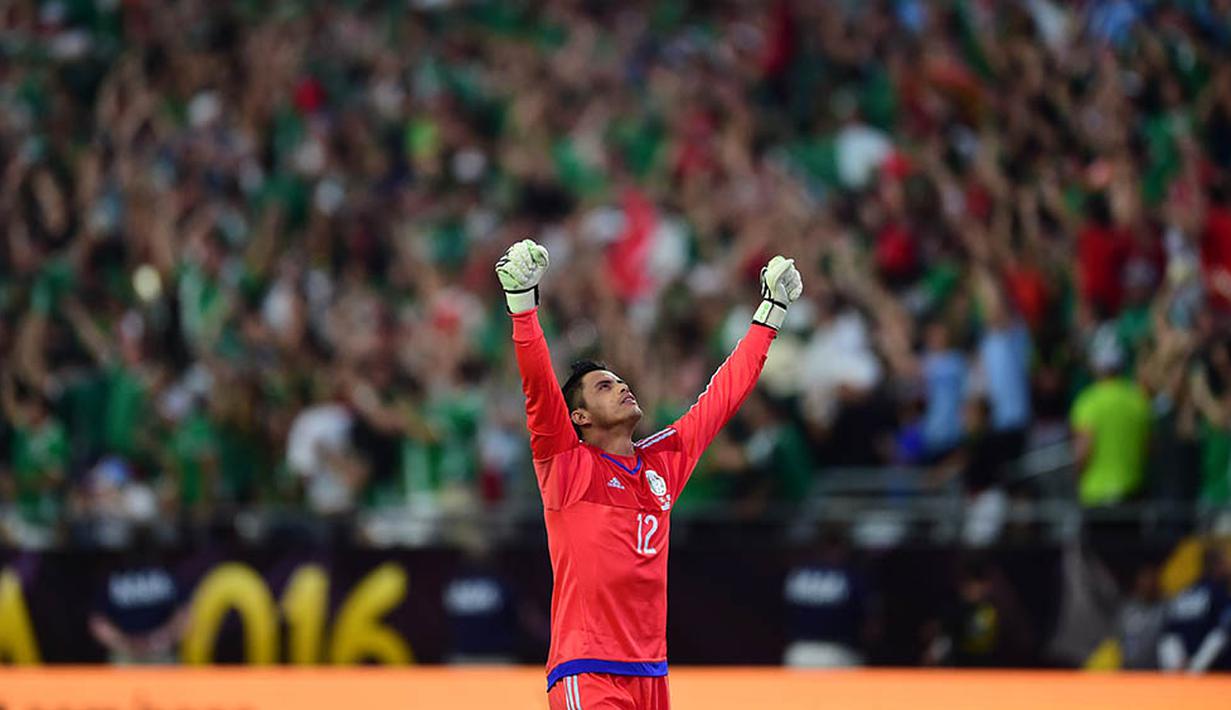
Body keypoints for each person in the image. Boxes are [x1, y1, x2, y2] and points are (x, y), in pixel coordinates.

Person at [497, 238, 802, 709]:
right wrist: (523, 307)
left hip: (651, 675)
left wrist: (772, 313)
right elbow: (538, 388)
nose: (622, 388)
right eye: (604, 386)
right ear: (579, 418)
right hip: (588, 669)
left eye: (620, 382)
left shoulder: (661, 464)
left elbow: (721, 398)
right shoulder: (566, 466)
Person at [1158, 545, 1231, 673]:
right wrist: (1195, 668)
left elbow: (1169, 637)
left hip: (1180, 666)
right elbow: (1220, 636)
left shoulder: (1185, 593)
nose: (1228, 567)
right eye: (1225, 562)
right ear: (1215, 566)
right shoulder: (1218, 594)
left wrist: (1177, 666)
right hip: (1210, 673)